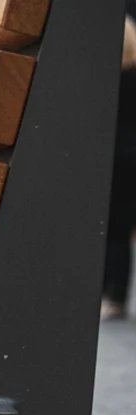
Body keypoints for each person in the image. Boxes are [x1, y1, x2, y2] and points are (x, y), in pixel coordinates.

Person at [103, 16, 136, 321]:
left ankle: (113, 295)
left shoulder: (108, 78)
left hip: (113, 160)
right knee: (120, 231)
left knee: (112, 229)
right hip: (129, 159)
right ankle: (115, 296)